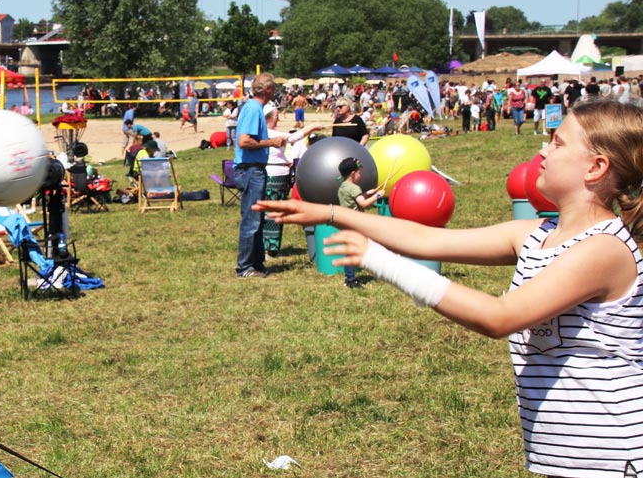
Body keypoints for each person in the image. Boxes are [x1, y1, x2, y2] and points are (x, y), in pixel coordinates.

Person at [256, 99, 643, 478]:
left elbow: (499, 317)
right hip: (566, 454)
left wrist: (379, 260)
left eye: (557, 143)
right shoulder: (536, 235)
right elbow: (425, 240)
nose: (543, 151)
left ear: (596, 167)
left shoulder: (604, 249)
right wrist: (331, 213)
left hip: (612, 454)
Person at [234, 72, 287, 278]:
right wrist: (271, 142)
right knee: (251, 220)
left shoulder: (254, 108)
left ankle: (257, 263)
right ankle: (245, 267)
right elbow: (244, 141)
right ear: (268, 90)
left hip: (255, 169)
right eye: (273, 88)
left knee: (257, 218)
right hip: (250, 169)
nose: (274, 92)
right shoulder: (253, 109)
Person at [262, 102, 323, 260]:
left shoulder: (270, 132)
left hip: (281, 175)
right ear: (269, 118)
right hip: (273, 176)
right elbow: (292, 138)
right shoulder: (267, 133)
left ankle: (272, 246)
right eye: (276, 116)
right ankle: (269, 247)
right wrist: (312, 127)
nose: (278, 120)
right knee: (272, 211)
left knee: (278, 211)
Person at [336, 157, 385, 288]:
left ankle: (349, 278)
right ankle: (351, 280)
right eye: (359, 173)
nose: (360, 176)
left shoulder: (343, 186)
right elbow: (363, 203)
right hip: (354, 224)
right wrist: (378, 196)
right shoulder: (354, 188)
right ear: (352, 174)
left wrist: (369, 193)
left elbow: (357, 197)